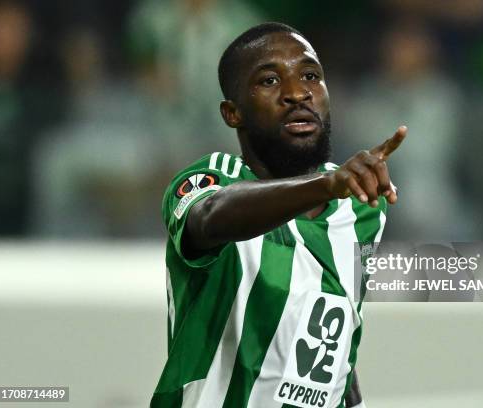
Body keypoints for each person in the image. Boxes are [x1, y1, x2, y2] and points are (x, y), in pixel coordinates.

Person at [151, 22, 407, 408]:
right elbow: (211, 217)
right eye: (269, 81)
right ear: (232, 113)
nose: (297, 93)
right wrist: (324, 185)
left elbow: (332, 334)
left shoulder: (362, 210)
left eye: (310, 76)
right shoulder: (210, 181)